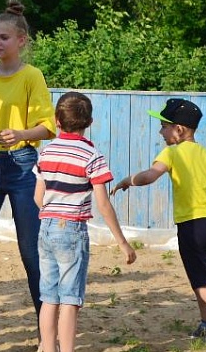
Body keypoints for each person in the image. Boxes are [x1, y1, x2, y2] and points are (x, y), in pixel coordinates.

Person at [111, 98, 206, 351]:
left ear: (179, 130)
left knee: (200, 283)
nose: (160, 131)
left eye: (164, 126)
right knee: (201, 274)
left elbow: (150, 176)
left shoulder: (171, 152)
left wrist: (127, 180)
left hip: (192, 226)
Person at [0, 0, 56, 336]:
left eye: (3, 37)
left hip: (23, 167)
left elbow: (48, 127)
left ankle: (46, 331)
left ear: (21, 41)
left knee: (30, 253)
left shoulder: (31, 76)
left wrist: (20, 133)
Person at [34, 92, 136, 352]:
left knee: (48, 296)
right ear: (89, 123)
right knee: (70, 298)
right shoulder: (91, 155)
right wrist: (122, 242)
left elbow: (38, 197)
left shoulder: (47, 151)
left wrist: (53, 209)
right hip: (71, 229)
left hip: (46, 227)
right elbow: (103, 203)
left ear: (57, 120)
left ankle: (47, 348)